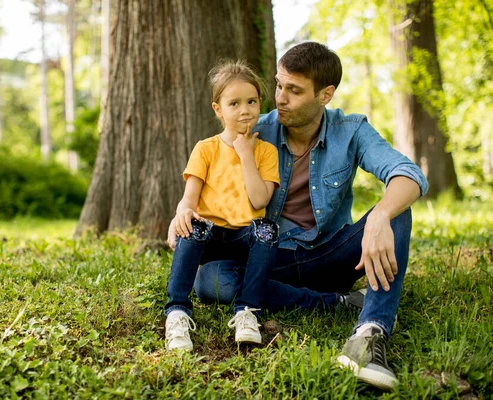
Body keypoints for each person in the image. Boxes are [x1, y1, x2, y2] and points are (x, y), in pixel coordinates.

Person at [167, 42, 428, 390]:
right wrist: (184, 210)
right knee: (210, 281)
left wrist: (381, 214)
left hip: (329, 257)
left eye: (294, 90)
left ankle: (369, 333)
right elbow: (212, 171)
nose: (279, 98)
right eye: (278, 85)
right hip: (271, 257)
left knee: (397, 214)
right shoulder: (254, 128)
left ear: (325, 95)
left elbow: (408, 174)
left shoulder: (350, 131)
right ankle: (336, 304)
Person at [164, 60, 281, 351]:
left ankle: (247, 311)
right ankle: (177, 312)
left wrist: (245, 155)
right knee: (193, 224)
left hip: (245, 237)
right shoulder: (206, 149)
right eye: (235, 103)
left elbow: (259, 200)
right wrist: (181, 214)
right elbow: (189, 198)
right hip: (210, 236)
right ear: (218, 109)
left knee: (267, 229)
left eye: (251, 101)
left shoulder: (265, 152)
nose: (245, 110)